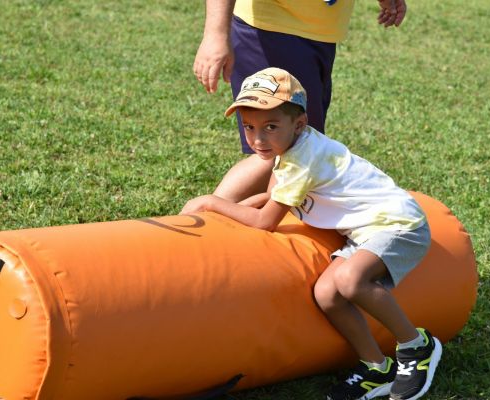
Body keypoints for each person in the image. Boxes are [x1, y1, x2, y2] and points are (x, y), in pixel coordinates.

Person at [180, 67, 442, 400]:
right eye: (249, 127)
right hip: (363, 231)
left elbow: (265, 222)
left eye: (270, 127)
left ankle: (416, 346)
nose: (258, 139)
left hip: (398, 224)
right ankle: (377, 366)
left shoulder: (302, 160)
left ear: (299, 124)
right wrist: (226, 215)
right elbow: (271, 198)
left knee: (349, 281)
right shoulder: (289, 150)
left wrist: (213, 202)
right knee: (327, 294)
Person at [193, 0, 408, 203]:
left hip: (319, 34)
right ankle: (207, 220)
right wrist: (216, 34)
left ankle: (238, 225)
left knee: (294, 148)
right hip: (271, 29)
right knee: (286, 147)